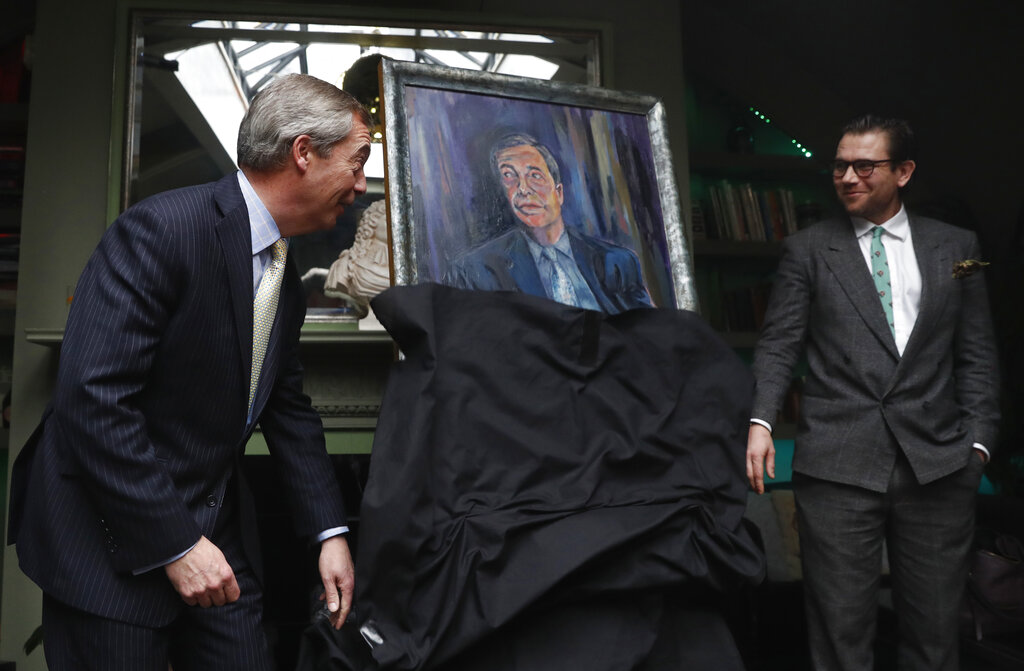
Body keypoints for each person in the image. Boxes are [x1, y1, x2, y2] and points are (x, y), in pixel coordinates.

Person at [7, 73, 372, 670]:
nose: (360, 185)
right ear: (303, 153)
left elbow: (287, 410)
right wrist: (175, 542)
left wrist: (329, 534)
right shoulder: (161, 231)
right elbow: (93, 399)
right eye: (357, 163)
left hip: (216, 528)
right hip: (105, 532)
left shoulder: (284, 278)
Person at [745, 115, 1000, 670]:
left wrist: (978, 446)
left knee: (935, 642)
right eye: (840, 165)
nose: (848, 177)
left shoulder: (958, 247)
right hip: (836, 467)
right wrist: (761, 421)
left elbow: (977, 354)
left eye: (865, 166)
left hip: (938, 466)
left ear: (903, 172)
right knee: (840, 638)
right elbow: (778, 345)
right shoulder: (807, 250)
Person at [444, 133, 653, 314]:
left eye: (535, 175)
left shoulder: (617, 263)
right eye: (509, 176)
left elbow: (644, 338)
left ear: (559, 193)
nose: (523, 189)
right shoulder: (476, 273)